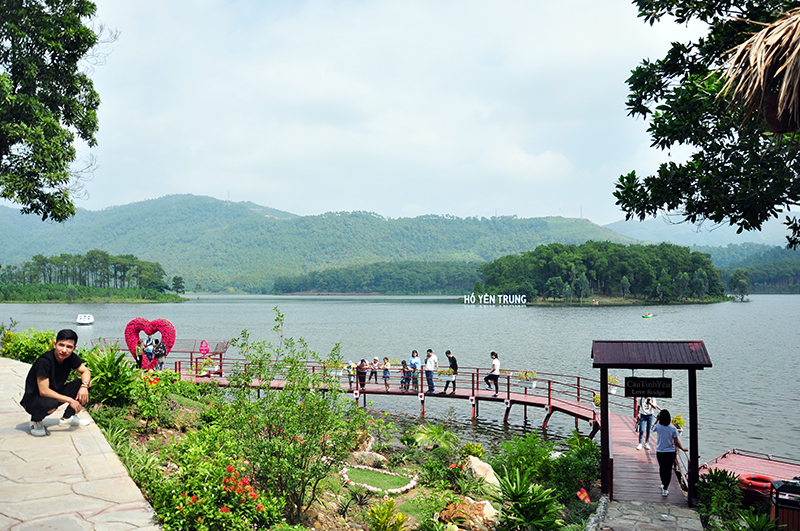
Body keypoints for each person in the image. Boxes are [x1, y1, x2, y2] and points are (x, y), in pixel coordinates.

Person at [20, 329, 92, 437]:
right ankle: (35, 421)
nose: (64, 350)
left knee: (87, 383)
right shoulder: (44, 361)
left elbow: (85, 371)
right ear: (55, 344)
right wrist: (70, 400)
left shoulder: (70, 357)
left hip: (54, 393)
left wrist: (84, 386)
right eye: (61, 345)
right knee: (50, 404)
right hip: (35, 400)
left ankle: (67, 418)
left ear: (74, 348)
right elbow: (44, 391)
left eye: (69, 347)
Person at [652, 409, 687, 497]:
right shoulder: (673, 428)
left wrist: (657, 419)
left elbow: (653, 428)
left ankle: (663, 484)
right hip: (670, 452)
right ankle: (665, 488)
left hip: (660, 452)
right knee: (668, 470)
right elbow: (676, 441)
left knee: (662, 469)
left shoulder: (658, 427)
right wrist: (682, 448)